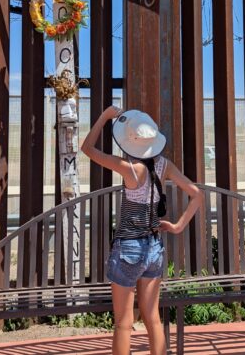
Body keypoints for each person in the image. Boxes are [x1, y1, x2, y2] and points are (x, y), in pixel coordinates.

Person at [81, 106, 204, 355]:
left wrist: (105, 117)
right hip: (153, 249)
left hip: (128, 249)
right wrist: (178, 226)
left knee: (123, 325)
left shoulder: (129, 168)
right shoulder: (164, 165)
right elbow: (197, 194)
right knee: (153, 319)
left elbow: (87, 149)